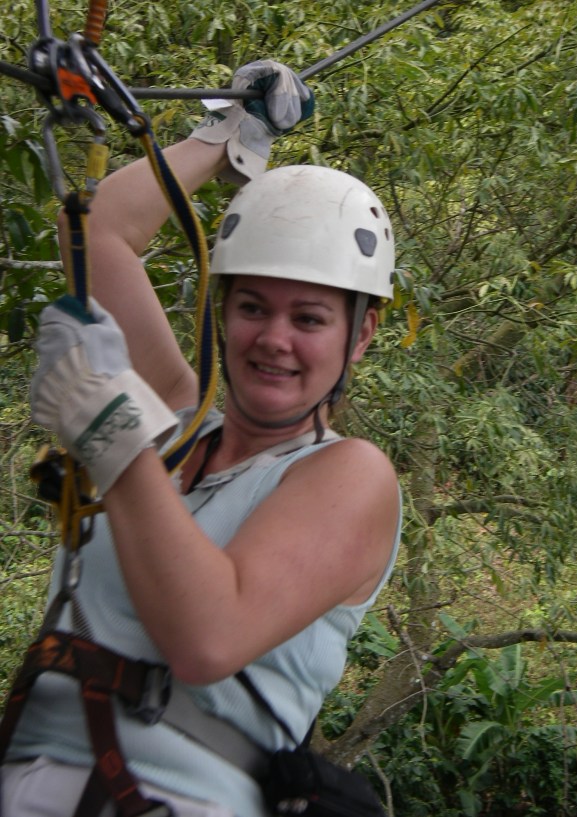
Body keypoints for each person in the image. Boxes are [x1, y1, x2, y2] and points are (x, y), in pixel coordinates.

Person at [0, 61, 401, 817]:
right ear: (221, 309)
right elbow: (95, 231)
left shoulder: (348, 475)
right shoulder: (177, 417)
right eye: (252, 306)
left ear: (360, 335)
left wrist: (112, 431)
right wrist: (225, 136)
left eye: (309, 318)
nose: (273, 338)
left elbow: (209, 637)